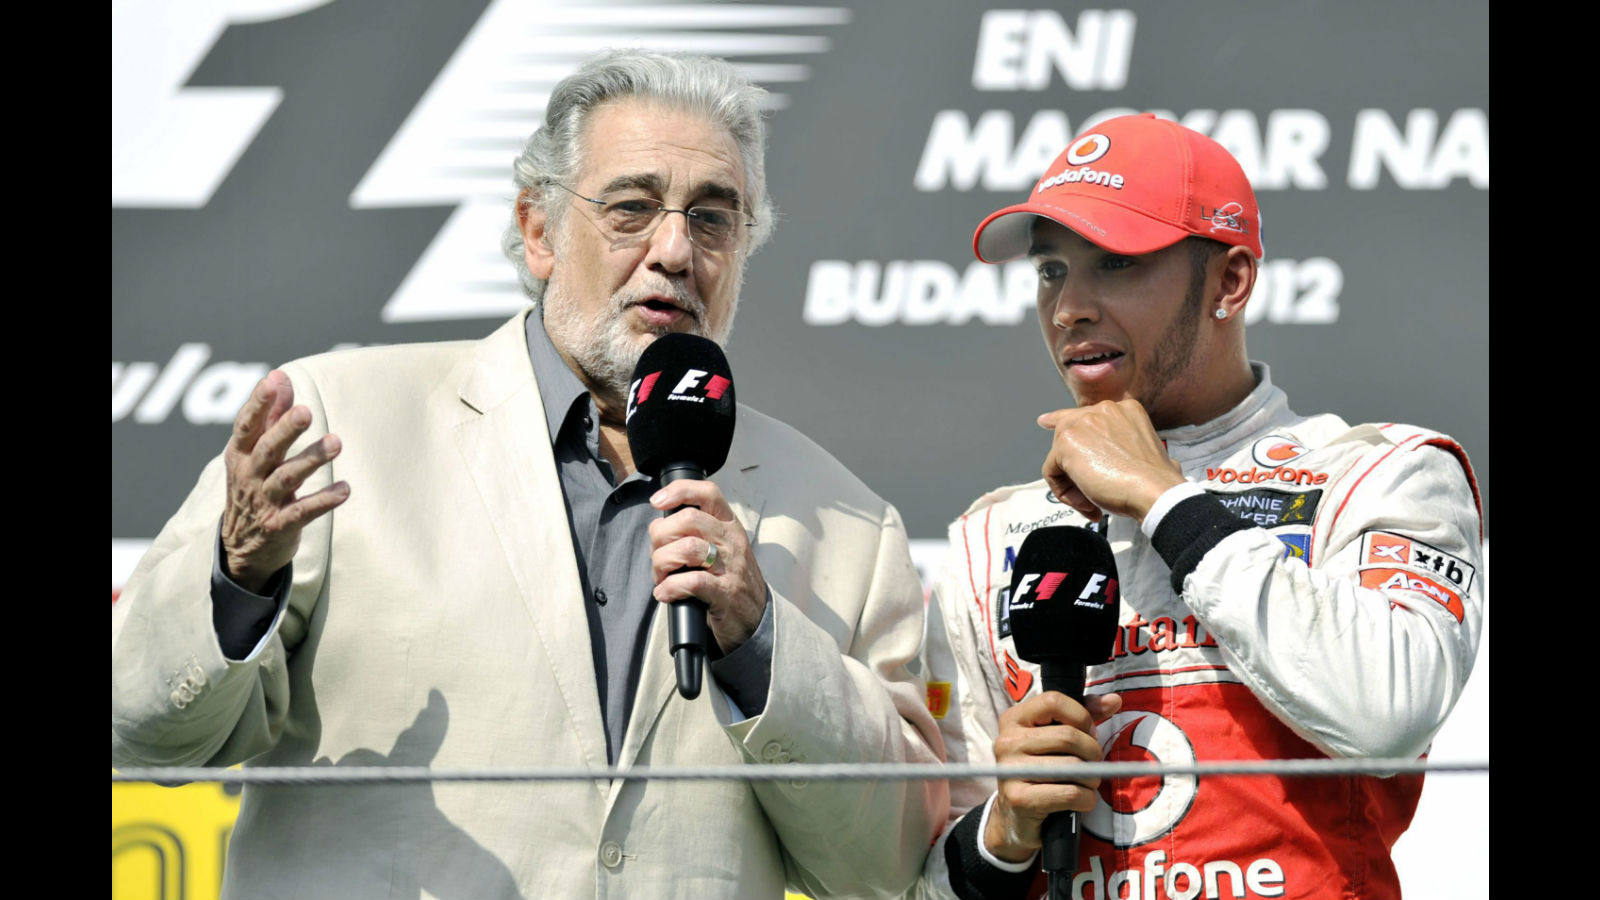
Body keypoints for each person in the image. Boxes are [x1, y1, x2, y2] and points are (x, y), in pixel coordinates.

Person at [111, 50, 947, 900]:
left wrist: (762, 641)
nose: (673, 250)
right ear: (540, 231)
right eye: (631, 208)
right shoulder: (344, 424)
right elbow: (140, 732)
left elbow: (890, 868)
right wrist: (236, 577)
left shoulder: (846, 524)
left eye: (711, 220)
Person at [916, 113, 1484, 900]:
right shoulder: (990, 537)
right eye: (1051, 271)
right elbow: (928, 880)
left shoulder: (1381, 472)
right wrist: (1005, 832)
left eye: (1115, 263)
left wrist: (1163, 498)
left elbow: (1390, 711)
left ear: (1231, 280)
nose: (1069, 307)